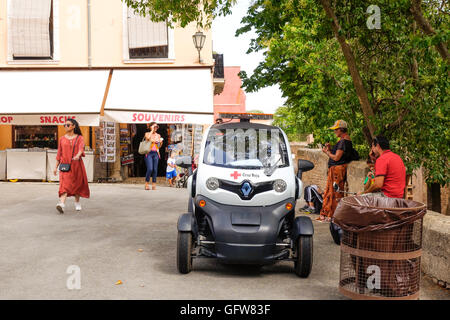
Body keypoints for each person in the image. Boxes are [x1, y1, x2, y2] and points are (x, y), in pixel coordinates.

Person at [318, 120, 355, 222]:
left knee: (335, 193)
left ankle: (333, 215)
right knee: (332, 192)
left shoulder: (343, 141)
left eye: (336, 129)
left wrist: (327, 152)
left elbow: (337, 158)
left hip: (337, 171)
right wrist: (330, 149)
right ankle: (330, 214)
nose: (335, 132)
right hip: (336, 170)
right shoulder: (344, 140)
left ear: (341, 129)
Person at [53, 119, 90, 214]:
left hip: (76, 165)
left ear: (74, 126)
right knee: (64, 185)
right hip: (65, 165)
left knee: (76, 184)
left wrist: (78, 155)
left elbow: (81, 148)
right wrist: (55, 167)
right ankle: (61, 204)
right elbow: (59, 153)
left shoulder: (79, 138)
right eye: (64, 125)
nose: (65, 126)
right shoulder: (62, 139)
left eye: (68, 125)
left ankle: (77, 202)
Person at [144, 122, 163, 190]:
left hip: (156, 153)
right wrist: (152, 130)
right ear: (151, 127)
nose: (156, 128)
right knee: (150, 169)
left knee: (155, 169)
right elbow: (148, 138)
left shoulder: (158, 135)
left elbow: (159, 146)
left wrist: (160, 143)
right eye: (154, 127)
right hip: (149, 153)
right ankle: (146, 183)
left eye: (156, 127)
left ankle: (154, 184)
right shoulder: (147, 134)